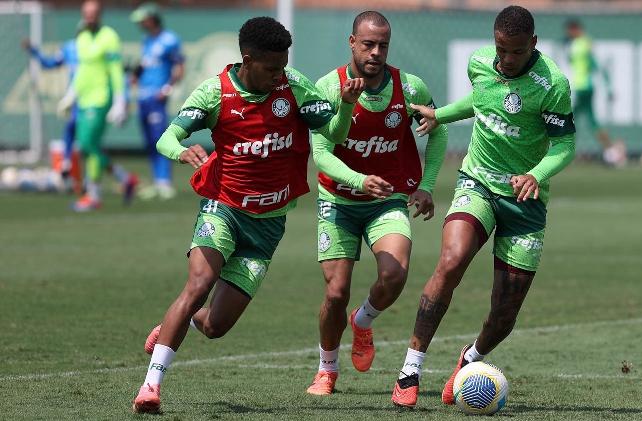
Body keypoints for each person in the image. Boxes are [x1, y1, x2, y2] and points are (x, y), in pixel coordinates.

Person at [131, 16, 365, 413]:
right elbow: (167, 137)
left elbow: (337, 135)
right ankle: (150, 386)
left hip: (268, 225)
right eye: (271, 68)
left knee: (215, 326)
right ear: (247, 59)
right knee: (199, 284)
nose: (279, 75)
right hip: (223, 209)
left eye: (282, 66)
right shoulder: (215, 94)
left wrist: (345, 105)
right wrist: (182, 151)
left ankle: (179, 322)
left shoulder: (293, 87)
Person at [390, 5, 576, 408]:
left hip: (525, 200)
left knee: (504, 315)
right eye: (501, 50)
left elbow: (564, 145)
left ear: (534, 45)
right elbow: (481, 100)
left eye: (517, 52)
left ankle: (469, 359)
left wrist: (536, 175)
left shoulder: (552, 84)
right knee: (452, 260)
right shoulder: (479, 63)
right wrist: (439, 116)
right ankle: (410, 369)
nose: (507, 60)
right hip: (478, 182)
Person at [305, 11, 448, 396]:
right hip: (338, 201)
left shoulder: (410, 87)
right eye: (368, 44)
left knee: (394, 275)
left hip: (386, 202)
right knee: (336, 293)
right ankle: (327, 370)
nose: (376, 52)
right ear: (352, 42)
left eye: (383, 45)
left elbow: (438, 131)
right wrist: (358, 180)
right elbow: (321, 153)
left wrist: (425, 185)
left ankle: (363, 321)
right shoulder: (329, 87)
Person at [72, 0, 138, 211]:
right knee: (90, 147)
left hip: (101, 98)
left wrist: (120, 99)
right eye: (86, 13)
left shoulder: (109, 36)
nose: (89, 17)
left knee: (87, 144)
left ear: (99, 14)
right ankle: (119, 181)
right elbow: (81, 71)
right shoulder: (81, 37)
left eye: (93, 13)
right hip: (84, 98)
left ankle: (96, 193)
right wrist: (70, 94)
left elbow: (116, 71)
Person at [130, 3, 185, 200]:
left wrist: (167, 88)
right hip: (143, 97)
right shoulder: (146, 40)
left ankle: (165, 182)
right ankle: (157, 181)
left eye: (142, 20)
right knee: (149, 142)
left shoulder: (169, 39)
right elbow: (145, 65)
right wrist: (135, 77)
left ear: (152, 18)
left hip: (157, 97)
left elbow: (179, 66)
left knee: (159, 139)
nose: (140, 24)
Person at [22, 35, 81, 192]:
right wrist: (33, 51)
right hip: (75, 99)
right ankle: (67, 166)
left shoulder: (97, 48)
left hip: (93, 99)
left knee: (86, 139)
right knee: (70, 130)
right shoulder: (70, 47)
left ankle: (79, 176)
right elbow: (49, 63)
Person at [565, 18, 625, 167]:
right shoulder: (581, 43)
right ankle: (611, 151)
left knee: (569, 120)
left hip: (581, 88)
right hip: (585, 87)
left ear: (575, 29)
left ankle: (564, 153)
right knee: (589, 121)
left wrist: (609, 86)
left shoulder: (581, 44)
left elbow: (596, 64)